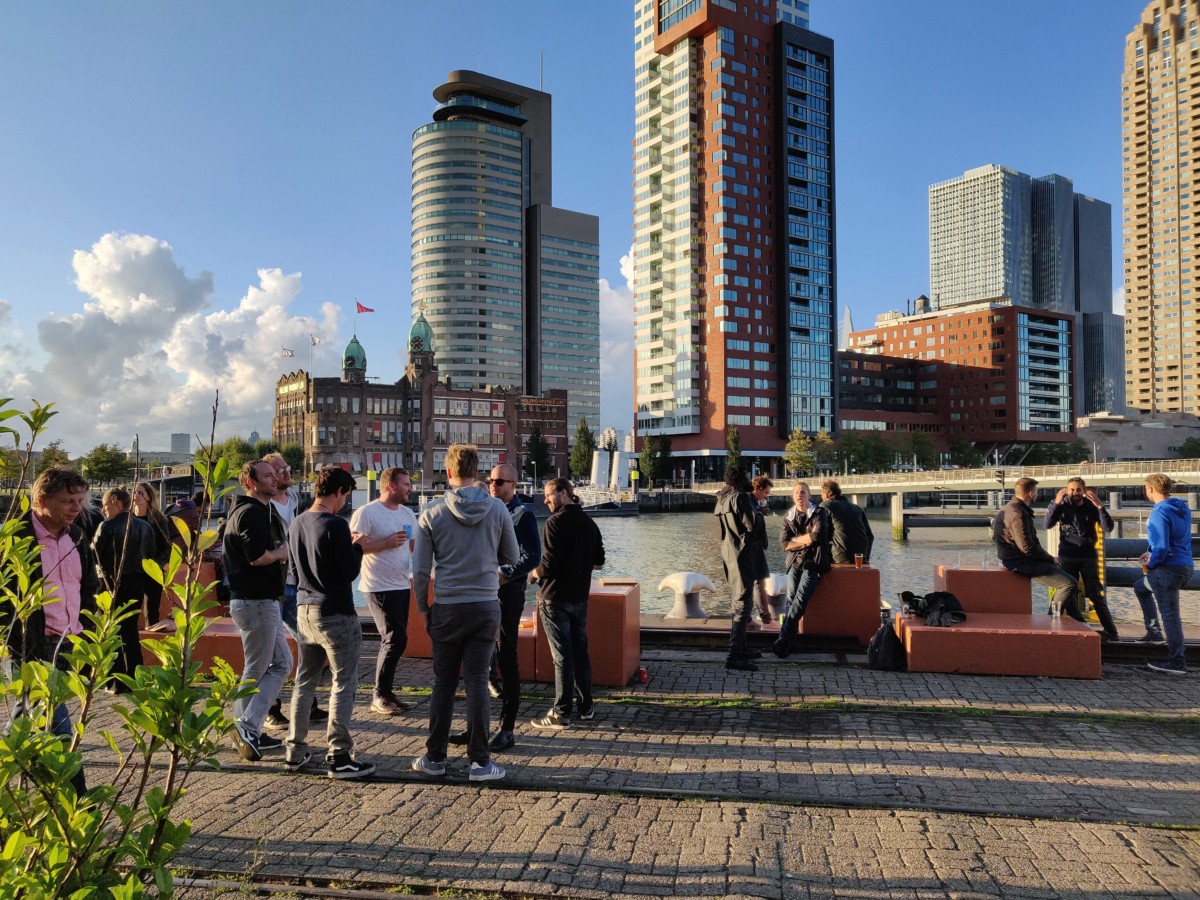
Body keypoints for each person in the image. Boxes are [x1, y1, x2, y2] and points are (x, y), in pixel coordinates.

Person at [411, 444, 517, 782]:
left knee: (444, 682)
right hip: (486, 605)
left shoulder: (431, 513)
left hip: (447, 605)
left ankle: (435, 758)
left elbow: (420, 570)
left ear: (448, 471)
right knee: (476, 682)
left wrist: (423, 608)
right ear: (478, 469)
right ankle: (480, 762)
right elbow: (512, 555)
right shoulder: (498, 509)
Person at [2, 467, 98, 795]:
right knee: (57, 730)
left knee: (23, 722)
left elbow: (87, 588)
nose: (76, 507)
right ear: (41, 500)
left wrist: (86, 633)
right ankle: (79, 808)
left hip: (69, 643)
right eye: (67, 500)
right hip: (32, 646)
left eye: (79, 500)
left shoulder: (77, 535)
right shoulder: (15, 539)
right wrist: (18, 644)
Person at [285, 466, 373, 777]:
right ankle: (340, 755)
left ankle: (294, 750)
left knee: (304, 680)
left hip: (304, 610)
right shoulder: (335, 525)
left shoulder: (296, 523)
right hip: (335, 612)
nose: (345, 502)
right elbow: (349, 572)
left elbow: (294, 572)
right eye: (346, 496)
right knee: (343, 682)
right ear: (338, 492)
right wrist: (358, 546)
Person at [222, 460, 289, 762]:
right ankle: (246, 726)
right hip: (257, 600)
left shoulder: (255, 510)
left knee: (270, 665)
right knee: (268, 666)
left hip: (256, 600)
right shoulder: (250, 512)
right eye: (267, 476)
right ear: (250, 482)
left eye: (275, 475)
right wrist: (284, 553)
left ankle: (247, 729)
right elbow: (257, 557)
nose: (275, 479)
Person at [528, 477, 605, 729]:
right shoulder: (589, 523)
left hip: (554, 598)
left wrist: (533, 574)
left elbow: (548, 566)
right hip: (579, 598)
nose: (545, 500)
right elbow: (599, 562)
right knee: (580, 653)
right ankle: (586, 706)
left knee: (562, 657)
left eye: (549, 494)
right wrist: (578, 563)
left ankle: (561, 713)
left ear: (564, 492)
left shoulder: (554, 522)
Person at [261, 452, 326, 730]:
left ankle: (306, 703)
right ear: (268, 475)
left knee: (311, 642)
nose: (286, 473)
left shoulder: (297, 503)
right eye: (279, 470)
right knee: (270, 651)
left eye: (287, 468)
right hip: (272, 587)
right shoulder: (262, 508)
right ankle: (270, 709)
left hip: (296, 585)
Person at [350, 466, 417, 716]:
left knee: (398, 639)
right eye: (406, 484)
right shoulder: (367, 513)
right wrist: (385, 544)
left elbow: (414, 545)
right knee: (394, 638)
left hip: (401, 584)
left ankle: (386, 692)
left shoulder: (408, 514)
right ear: (391, 486)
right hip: (378, 586)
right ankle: (379, 695)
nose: (410, 488)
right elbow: (354, 545)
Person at [486, 463, 540, 751]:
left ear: (514, 486)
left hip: (509, 593)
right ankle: (477, 726)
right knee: (481, 654)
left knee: (508, 655)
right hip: (485, 592)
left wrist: (504, 574)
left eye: (501, 482)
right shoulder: (491, 511)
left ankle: (507, 729)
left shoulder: (523, 515)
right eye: (491, 480)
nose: (494, 485)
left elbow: (533, 557)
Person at [1043, 477, 1119, 640]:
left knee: (1095, 594)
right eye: (1071, 490)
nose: (1074, 493)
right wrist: (1056, 504)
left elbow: (1108, 527)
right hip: (1067, 555)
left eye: (1078, 490)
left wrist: (1100, 506)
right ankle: (1076, 625)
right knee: (1065, 592)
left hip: (1088, 556)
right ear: (1066, 490)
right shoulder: (1061, 504)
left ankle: (1111, 632)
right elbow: (1047, 524)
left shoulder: (1091, 505)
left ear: (1083, 490)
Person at [93, 486, 153, 689]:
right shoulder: (145, 527)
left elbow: (94, 555)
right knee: (130, 632)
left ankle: (115, 681)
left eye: (105, 505)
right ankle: (136, 678)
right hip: (137, 583)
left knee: (111, 631)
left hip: (111, 583)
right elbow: (150, 556)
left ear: (115, 502)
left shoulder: (107, 526)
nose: (103, 510)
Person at [993, 477, 1080, 619]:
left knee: (1067, 581)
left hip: (1015, 559)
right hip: (1018, 562)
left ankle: (1079, 622)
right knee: (1069, 584)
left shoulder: (1013, 508)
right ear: (1031, 494)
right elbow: (1027, 547)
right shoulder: (1018, 513)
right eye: (1036, 491)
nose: (1037, 494)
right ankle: (1052, 621)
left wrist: (1048, 559)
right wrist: (1050, 559)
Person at [1135, 473, 1194, 675]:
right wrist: (1150, 552)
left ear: (1150, 489)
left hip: (1167, 568)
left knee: (1170, 615)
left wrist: (1152, 563)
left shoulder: (1159, 512)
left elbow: (1161, 546)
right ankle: (1153, 632)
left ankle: (1177, 662)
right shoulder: (1182, 508)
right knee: (1140, 587)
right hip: (1185, 565)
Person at [771, 482, 831, 659]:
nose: (800, 495)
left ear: (809, 495)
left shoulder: (819, 512)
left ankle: (782, 640)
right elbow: (785, 544)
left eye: (803, 492)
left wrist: (796, 540)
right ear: (792, 496)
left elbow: (818, 536)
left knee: (799, 600)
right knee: (790, 601)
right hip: (795, 563)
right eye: (797, 493)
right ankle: (788, 643)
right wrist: (806, 539)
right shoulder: (788, 517)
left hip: (814, 562)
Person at [714, 467, 763, 672]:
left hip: (729, 553)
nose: (748, 479)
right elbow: (751, 526)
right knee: (743, 605)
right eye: (745, 476)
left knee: (738, 600)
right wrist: (760, 513)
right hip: (743, 554)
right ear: (740, 478)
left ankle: (741, 648)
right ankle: (734, 655)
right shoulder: (740, 497)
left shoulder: (722, 498)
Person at [132, 482, 172, 626]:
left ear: (149, 496)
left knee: (152, 607)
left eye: (140, 492)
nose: (136, 495)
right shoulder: (128, 518)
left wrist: (157, 565)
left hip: (153, 569)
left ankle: (150, 637)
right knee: (132, 608)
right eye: (134, 492)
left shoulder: (158, 519)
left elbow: (166, 546)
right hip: (132, 570)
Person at [820, 480, 873, 565]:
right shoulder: (857, 508)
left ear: (826, 494)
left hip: (838, 557)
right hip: (860, 557)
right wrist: (865, 557)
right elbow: (869, 536)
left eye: (821, 495)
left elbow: (821, 534)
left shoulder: (825, 505)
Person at [750, 475, 775, 627]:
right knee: (759, 583)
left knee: (755, 583)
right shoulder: (751, 505)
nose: (767, 495)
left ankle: (754, 618)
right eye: (766, 492)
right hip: (754, 550)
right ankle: (766, 619)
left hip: (756, 549)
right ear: (758, 489)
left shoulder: (754, 504)